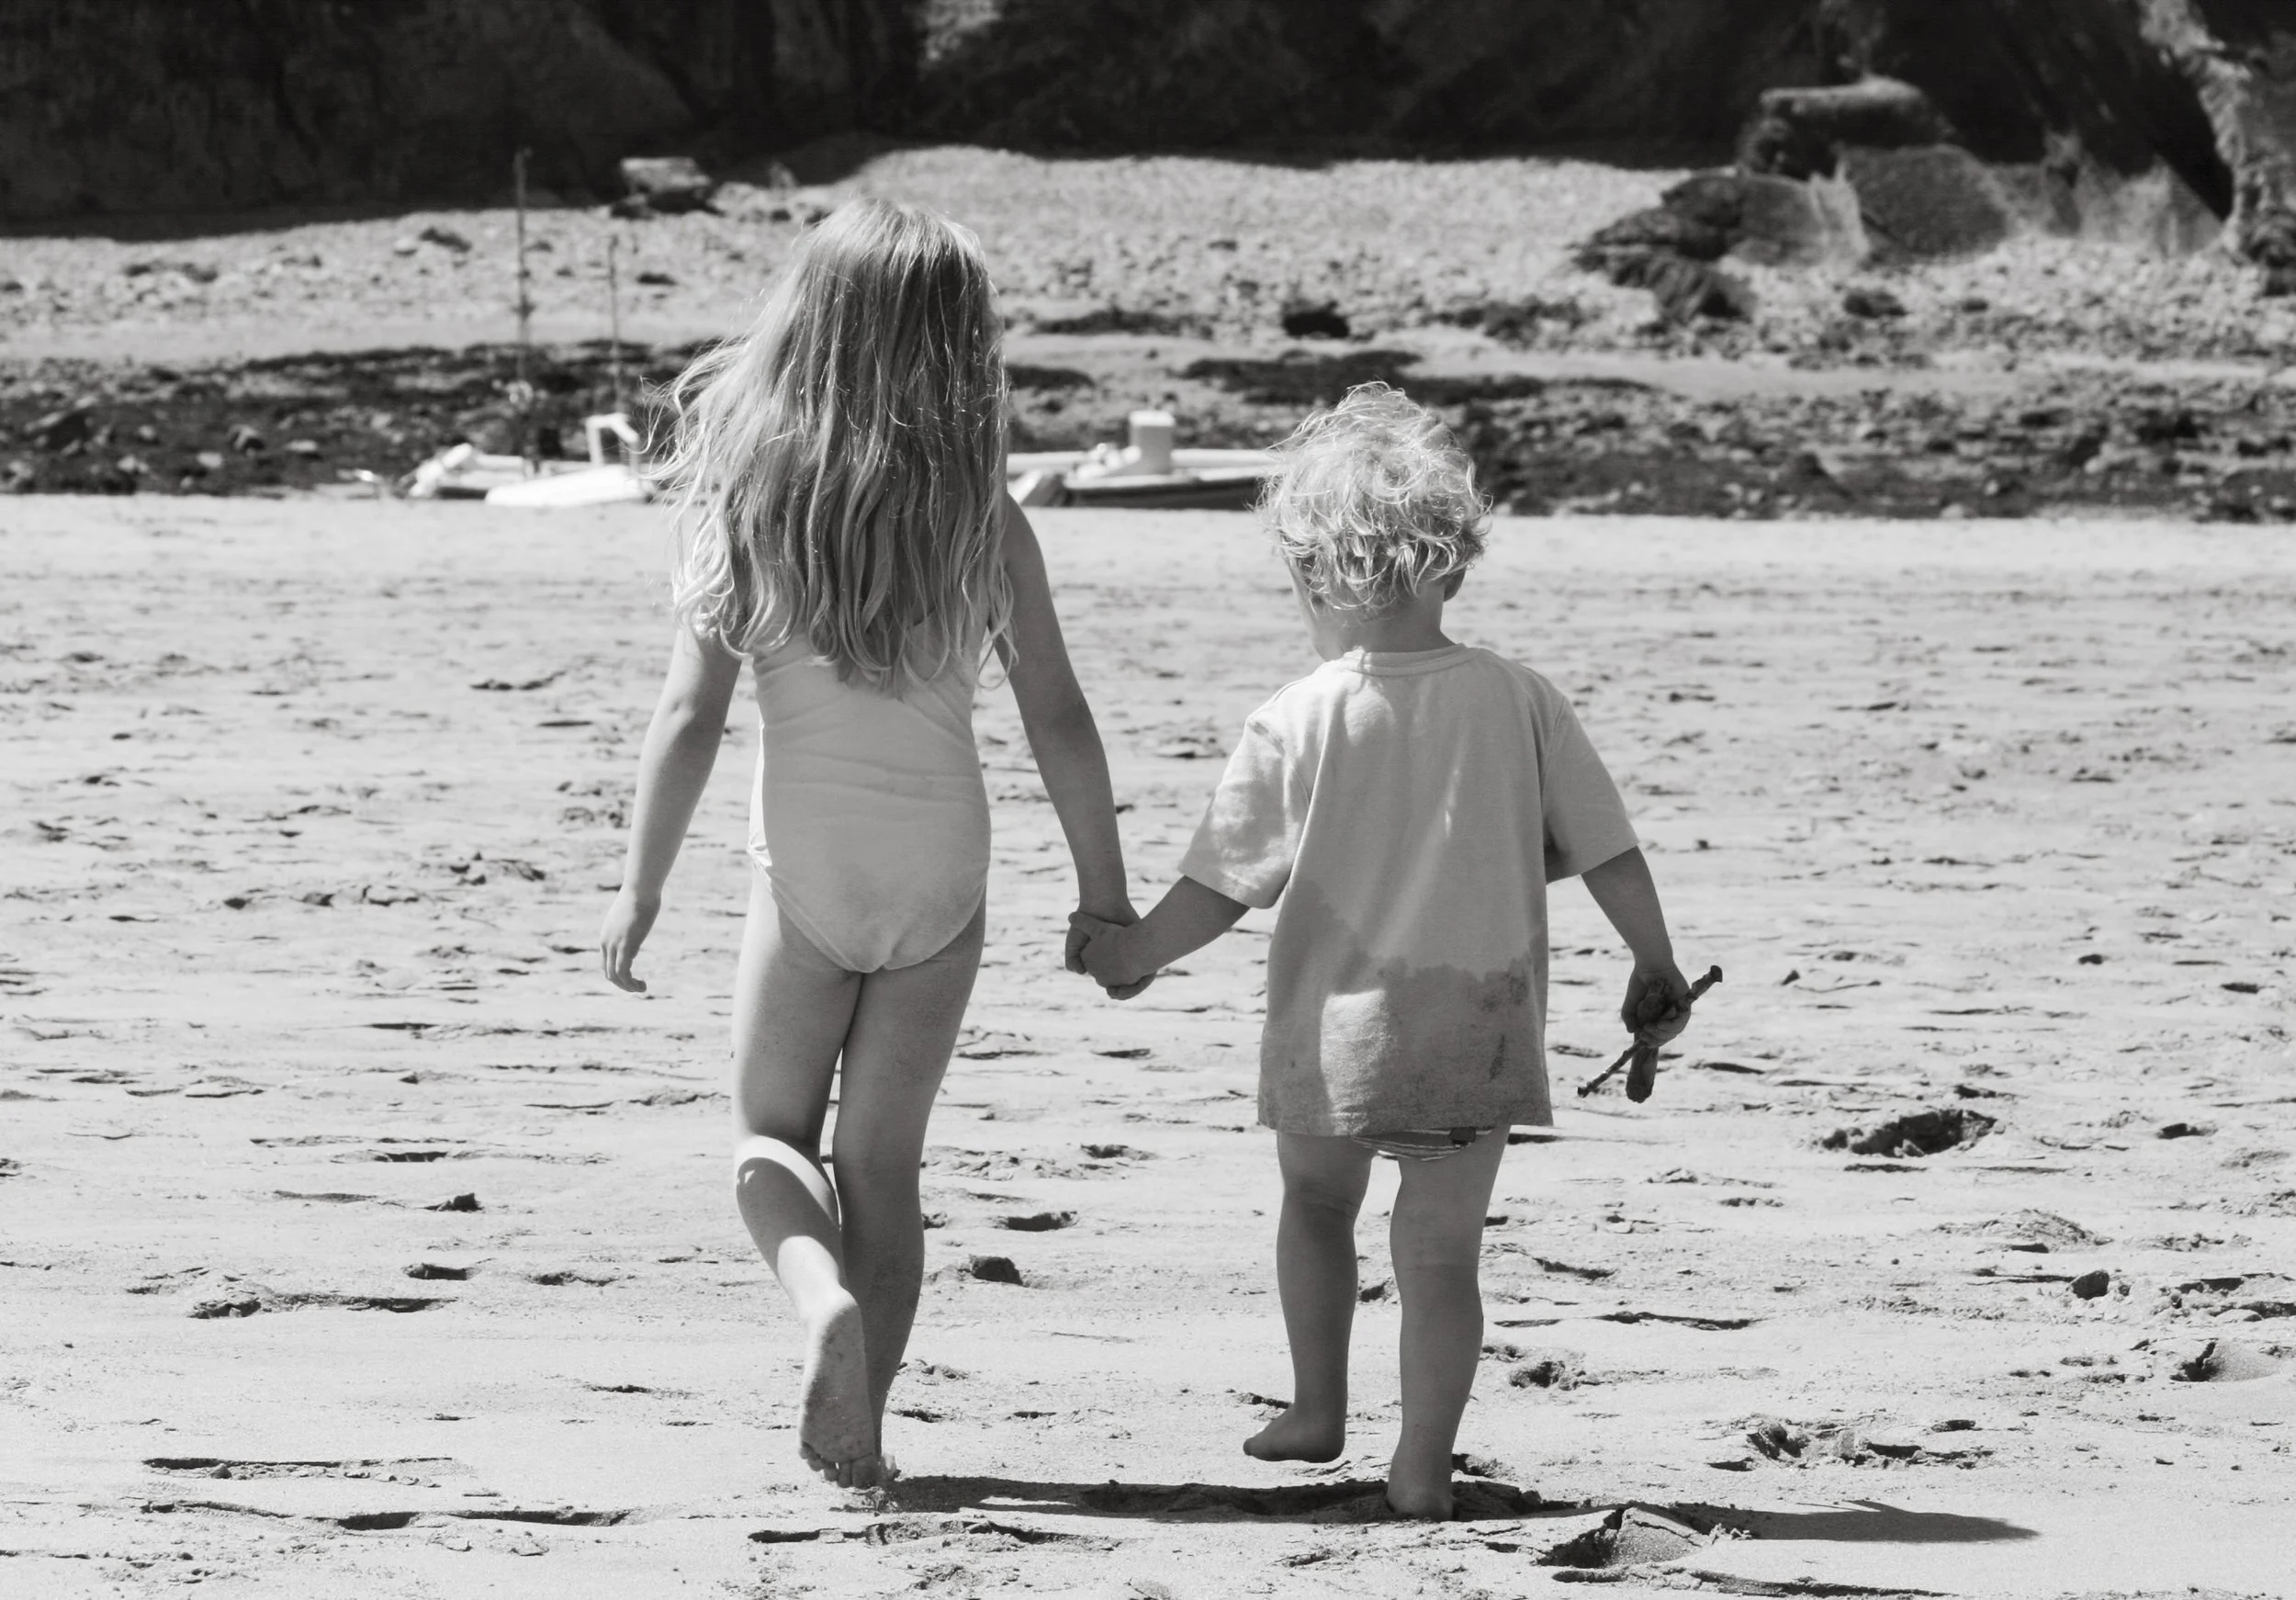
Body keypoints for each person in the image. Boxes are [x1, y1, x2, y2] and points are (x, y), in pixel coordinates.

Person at [1073, 384, 1693, 1519]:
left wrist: (1131, 958)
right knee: (1443, 1257)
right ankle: (1419, 1463)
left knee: (1316, 1205)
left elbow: (1219, 888)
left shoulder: (1298, 715)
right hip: (1479, 1022)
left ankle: (1316, 1408)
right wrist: (1652, 960)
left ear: (1312, 575)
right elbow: (1609, 849)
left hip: (1334, 1027)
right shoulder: (1519, 698)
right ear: (1454, 566)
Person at [598, 199, 1135, 1491]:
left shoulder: (752, 499)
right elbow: (1058, 715)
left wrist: (642, 884)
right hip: (943, 880)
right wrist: (1105, 893)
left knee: (768, 1140)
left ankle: (815, 1303)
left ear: (807, 330)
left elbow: (688, 716)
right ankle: (866, 1431)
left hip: (811, 877)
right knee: (884, 1167)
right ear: (963, 349)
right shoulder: (984, 521)